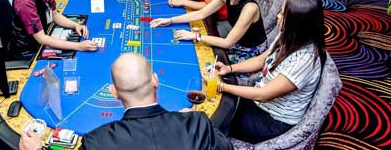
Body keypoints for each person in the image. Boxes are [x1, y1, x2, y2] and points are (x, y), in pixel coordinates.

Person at [19, 52, 232, 150]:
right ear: (155, 81)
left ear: (113, 92)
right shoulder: (198, 124)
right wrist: (190, 121)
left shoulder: (96, 141)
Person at [212, 0, 325, 144]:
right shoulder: (288, 36)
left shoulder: (304, 60)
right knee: (218, 104)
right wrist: (229, 68)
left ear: (296, 23)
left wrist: (223, 86)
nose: (278, 16)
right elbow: (262, 59)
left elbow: (263, 94)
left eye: (283, 14)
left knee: (214, 121)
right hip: (260, 103)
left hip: (272, 120)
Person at [150, 0, 267, 64]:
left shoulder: (250, 8)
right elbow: (201, 13)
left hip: (252, 52)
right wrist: (170, 20)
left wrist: (195, 36)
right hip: (237, 43)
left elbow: (227, 43)